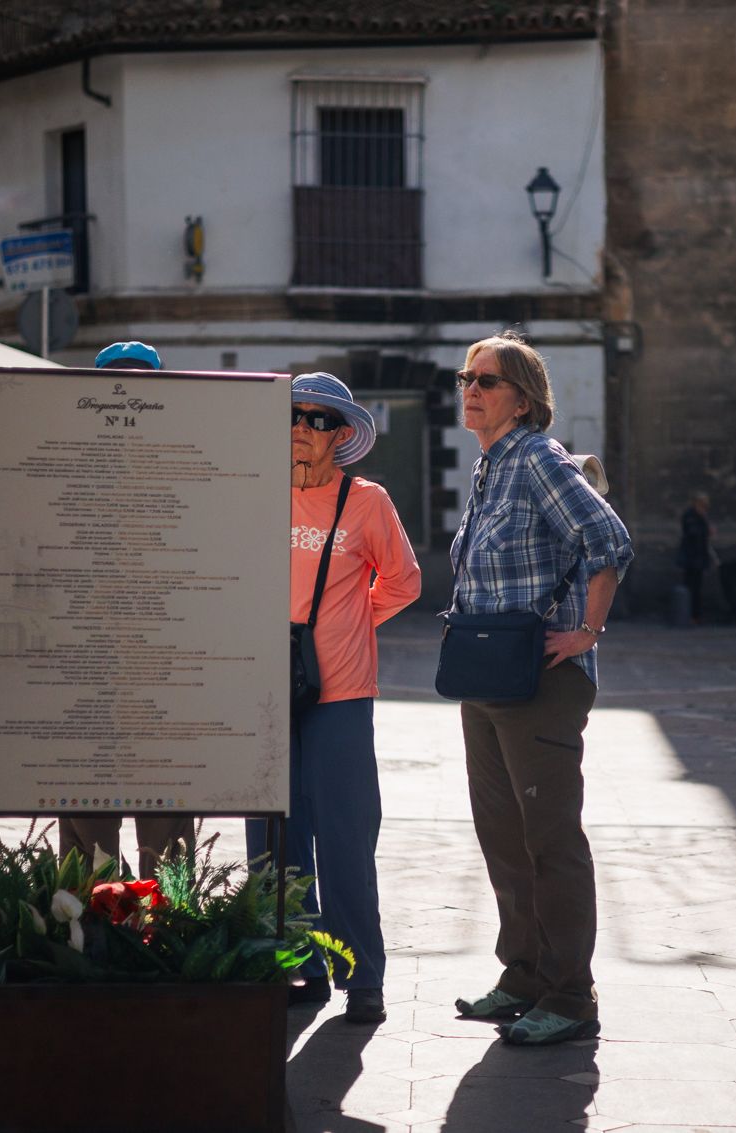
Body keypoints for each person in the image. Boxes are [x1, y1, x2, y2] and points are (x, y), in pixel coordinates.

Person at [448, 331, 633, 1047]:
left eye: (486, 380)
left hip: (541, 681)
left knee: (549, 836)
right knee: (503, 836)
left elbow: (608, 538)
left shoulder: (538, 458)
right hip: (486, 675)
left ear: (521, 400)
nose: (471, 388)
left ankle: (570, 994)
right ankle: (522, 974)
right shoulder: (490, 467)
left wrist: (587, 631)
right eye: (466, 376)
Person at [244, 372, 421, 1026]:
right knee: (272, 837)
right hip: (264, 690)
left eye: (318, 419)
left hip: (342, 693)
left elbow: (402, 582)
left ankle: (362, 975)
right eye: (294, 414)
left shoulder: (367, 502)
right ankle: (298, 963)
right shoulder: (254, 495)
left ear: (341, 434)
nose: (301, 427)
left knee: (346, 836)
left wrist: (351, 625)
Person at [58, 340, 194, 882]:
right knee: (88, 812)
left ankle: (165, 921)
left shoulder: (183, 460)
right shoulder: (69, 461)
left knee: (166, 810)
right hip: (90, 659)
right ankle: (88, 923)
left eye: (143, 384)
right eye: (119, 383)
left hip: (162, 658)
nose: (129, 396)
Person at [675, 491, 716, 623]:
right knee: (690, 586)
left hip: (698, 558)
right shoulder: (690, 516)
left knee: (697, 587)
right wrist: (706, 530)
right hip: (691, 559)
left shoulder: (701, 516)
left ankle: (695, 615)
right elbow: (693, 533)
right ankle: (690, 615)